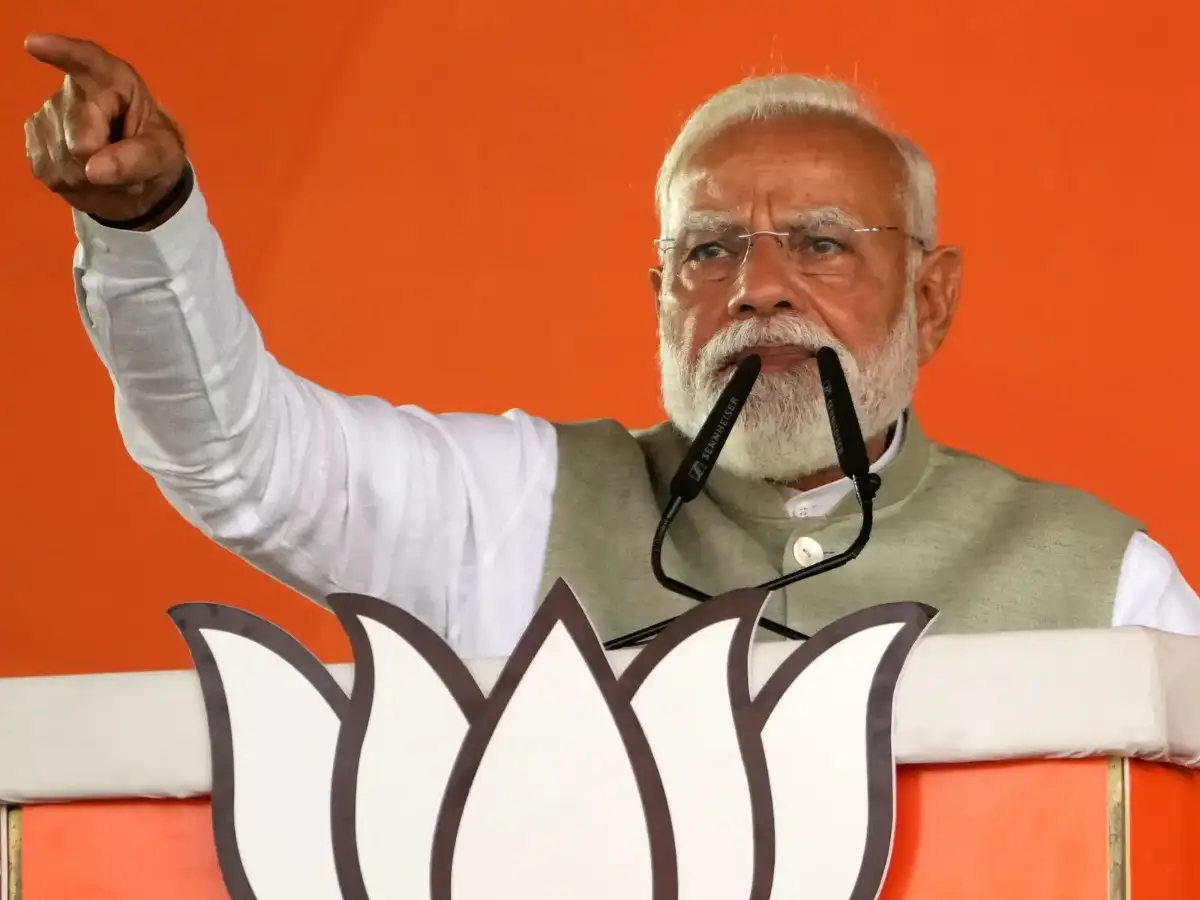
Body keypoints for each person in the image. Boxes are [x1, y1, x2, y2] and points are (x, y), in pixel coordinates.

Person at [24, 33, 1200, 659]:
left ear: (931, 302)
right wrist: (146, 227)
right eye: (709, 251)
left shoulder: (1107, 584)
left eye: (822, 244)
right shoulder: (513, 508)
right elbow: (241, 460)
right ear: (661, 299)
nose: (758, 290)